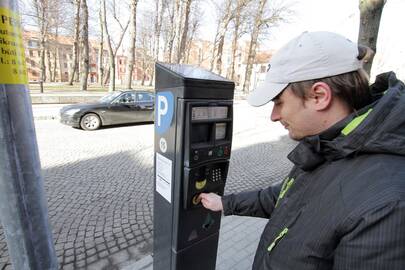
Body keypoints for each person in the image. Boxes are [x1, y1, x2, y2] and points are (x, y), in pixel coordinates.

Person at [199, 31, 405, 270]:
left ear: (319, 96)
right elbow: (290, 196)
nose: (274, 116)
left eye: (279, 102)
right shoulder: (331, 145)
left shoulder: (386, 207)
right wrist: (226, 203)